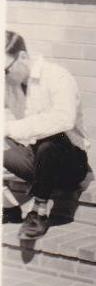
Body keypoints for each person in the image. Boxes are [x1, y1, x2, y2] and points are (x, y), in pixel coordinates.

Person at [4, 30, 90, 238]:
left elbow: (63, 119)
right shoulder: (10, 83)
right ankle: (8, 206)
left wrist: (11, 128)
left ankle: (38, 212)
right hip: (34, 159)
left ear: (22, 57)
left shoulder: (57, 76)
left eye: (5, 70)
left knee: (50, 141)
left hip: (68, 163)